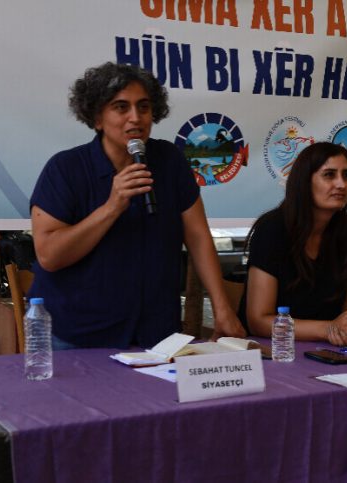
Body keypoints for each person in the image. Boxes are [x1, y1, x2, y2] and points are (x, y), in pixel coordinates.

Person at [28, 62, 245, 349]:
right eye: (121, 107)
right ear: (97, 118)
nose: (136, 118)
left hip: (156, 334)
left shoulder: (169, 160)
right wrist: (112, 206)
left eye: (143, 107)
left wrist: (222, 308)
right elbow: (49, 255)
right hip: (79, 334)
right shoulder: (65, 169)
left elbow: (197, 236)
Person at [240, 142, 347, 347]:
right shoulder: (272, 229)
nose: (341, 184)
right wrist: (327, 329)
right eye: (329, 175)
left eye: (346, 175)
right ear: (304, 182)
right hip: (273, 350)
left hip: (331, 349)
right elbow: (258, 321)